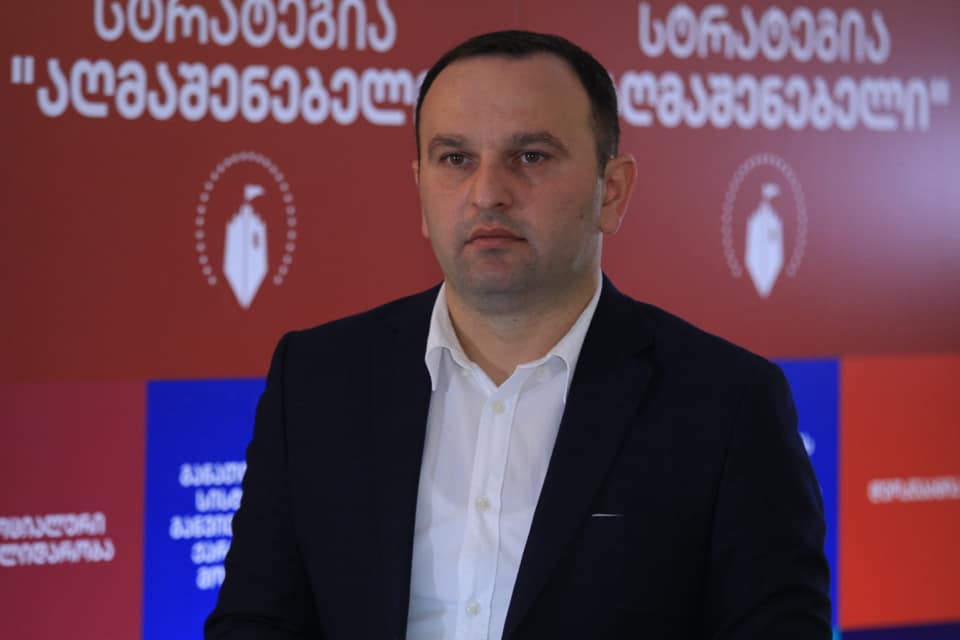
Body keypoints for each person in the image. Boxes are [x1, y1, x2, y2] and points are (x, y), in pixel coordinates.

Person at [205, 30, 831, 639]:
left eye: (530, 156)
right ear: (420, 190)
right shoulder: (315, 379)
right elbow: (257, 621)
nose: (487, 193)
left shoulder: (728, 404)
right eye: (455, 159)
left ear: (612, 192)